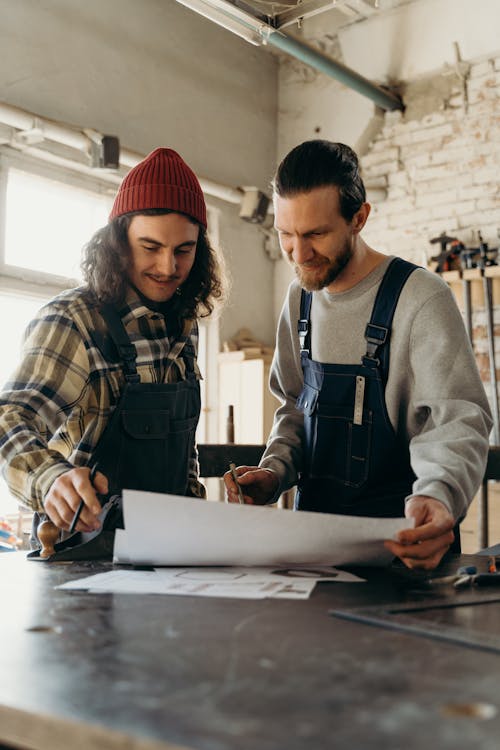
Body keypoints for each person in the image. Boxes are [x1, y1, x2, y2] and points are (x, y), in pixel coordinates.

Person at [224, 139, 492, 571]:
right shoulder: (300, 300)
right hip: (312, 555)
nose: (299, 253)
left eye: (315, 234)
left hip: (405, 553)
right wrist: (274, 472)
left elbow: (456, 417)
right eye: (285, 234)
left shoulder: (420, 298)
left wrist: (437, 495)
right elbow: (294, 407)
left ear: (359, 218)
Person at [0, 147, 223, 547]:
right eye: (150, 247)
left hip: (169, 556)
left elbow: (181, 457)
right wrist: (50, 478)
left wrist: (198, 521)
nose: (168, 268)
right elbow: (9, 418)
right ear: (118, 241)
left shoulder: (187, 327)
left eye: (184, 250)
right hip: (82, 562)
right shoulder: (75, 320)